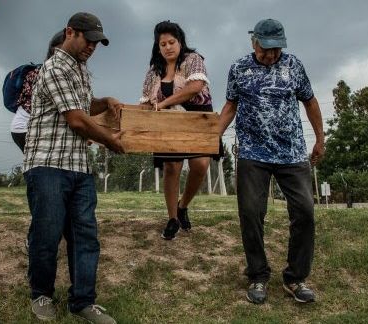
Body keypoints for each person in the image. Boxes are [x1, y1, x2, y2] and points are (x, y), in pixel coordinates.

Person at [23, 12, 124, 323]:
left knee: (85, 236)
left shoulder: (80, 70)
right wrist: (111, 140)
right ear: (70, 32)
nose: (92, 47)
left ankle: (83, 302)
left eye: (97, 42)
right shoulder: (53, 68)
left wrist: (104, 100)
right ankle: (41, 295)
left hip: (79, 166)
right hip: (47, 165)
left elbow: (83, 106)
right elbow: (77, 119)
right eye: (88, 40)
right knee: (47, 233)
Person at [219, 18, 325, 304]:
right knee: (251, 213)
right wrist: (211, 136)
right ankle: (257, 275)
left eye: (277, 49)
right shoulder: (239, 68)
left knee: (305, 211)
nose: (271, 54)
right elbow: (230, 106)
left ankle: (296, 278)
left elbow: (310, 101)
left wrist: (320, 138)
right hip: (253, 153)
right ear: (254, 43)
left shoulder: (294, 66)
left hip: (291, 152)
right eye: (266, 49)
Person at [140, 21, 218, 240]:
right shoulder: (154, 71)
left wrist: (164, 103)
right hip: (168, 124)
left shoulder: (194, 60)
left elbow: (195, 88)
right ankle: (173, 217)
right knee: (172, 167)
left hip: (197, 118)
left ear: (180, 42)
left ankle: (183, 205)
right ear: (158, 47)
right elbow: (147, 103)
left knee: (201, 164)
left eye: (171, 42)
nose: (167, 47)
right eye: (162, 44)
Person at [10, 31, 64, 152]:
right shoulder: (44, 73)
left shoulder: (45, 70)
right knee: (42, 164)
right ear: (54, 49)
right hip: (25, 128)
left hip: (23, 128)